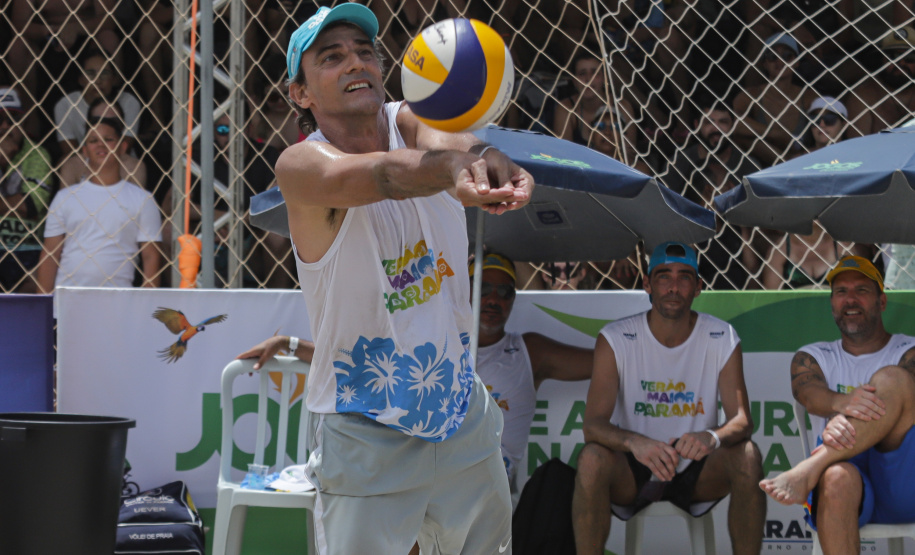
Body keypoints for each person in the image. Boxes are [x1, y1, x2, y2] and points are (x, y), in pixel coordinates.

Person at [278, 4, 533, 553]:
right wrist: (454, 171)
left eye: (365, 51)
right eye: (332, 57)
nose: (356, 63)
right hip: (365, 423)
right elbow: (386, 175)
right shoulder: (301, 167)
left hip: (459, 410)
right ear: (300, 93)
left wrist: (486, 158)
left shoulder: (409, 121)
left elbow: (447, 142)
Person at [572, 241, 765, 555]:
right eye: (664, 276)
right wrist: (636, 443)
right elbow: (593, 426)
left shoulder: (722, 336)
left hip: (697, 469)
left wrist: (711, 437)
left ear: (699, 286)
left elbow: (743, 420)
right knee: (592, 458)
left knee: (747, 455)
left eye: (684, 277)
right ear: (647, 283)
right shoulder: (616, 338)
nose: (674, 287)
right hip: (633, 469)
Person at [760, 256, 915, 554]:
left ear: (882, 301)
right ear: (832, 304)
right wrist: (844, 403)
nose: (850, 299)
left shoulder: (908, 350)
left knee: (895, 380)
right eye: (841, 292)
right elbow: (808, 394)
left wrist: (846, 416)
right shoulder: (814, 356)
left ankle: (810, 469)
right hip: (845, 481)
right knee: (835, 478)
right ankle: (821, 469)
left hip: (902, 482)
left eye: (861, 290)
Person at [37, 116, 161, 291]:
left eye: (108, 139)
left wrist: (146, 307)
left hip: (119, 304)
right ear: (85, 151)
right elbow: (50, 255)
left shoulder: (143, 200)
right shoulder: (65, 198)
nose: (101, 145)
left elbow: (151, 258)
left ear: (123, 147)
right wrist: (44, 307)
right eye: (93, 141)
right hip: (67, 303)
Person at [663, 96, 763, 290]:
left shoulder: (749, 166)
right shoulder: (680, 163)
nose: (716, 128)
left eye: (723, 122)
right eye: (709, 122)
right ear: (696, 124)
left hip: (736, 238)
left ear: (733, 125)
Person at [0, 87, 53, 293]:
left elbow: (30, 206)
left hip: (29, 250)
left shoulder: (37, 154)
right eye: (0, 119)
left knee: (39, 282)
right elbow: (19, 205)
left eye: (13, 119)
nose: (6, 126)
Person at [53, 49, 142, 157]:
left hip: (120, 164)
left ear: (114, 79)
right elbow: (70, 152)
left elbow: (124, 147)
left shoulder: (129, 101)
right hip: (83, 165)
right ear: (81, 79)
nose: (98, 80)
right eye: (90, 74)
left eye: (104, 74)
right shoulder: (65, 105)